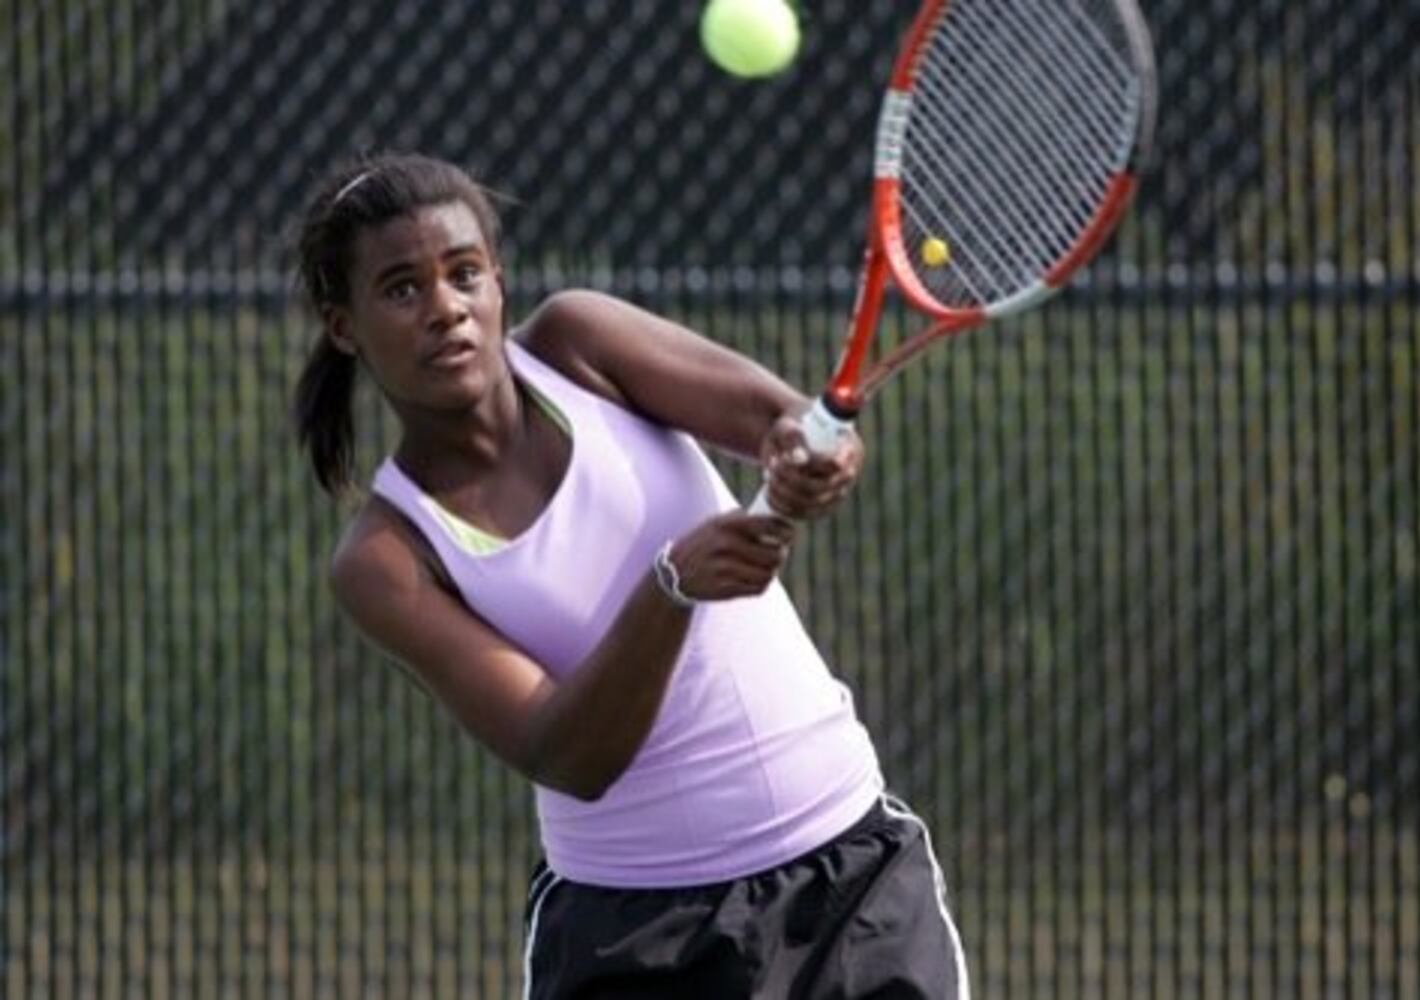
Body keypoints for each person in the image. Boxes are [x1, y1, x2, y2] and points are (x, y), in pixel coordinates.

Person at [291, 151, 969, 999]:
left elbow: (780, 421)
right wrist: (670, 588)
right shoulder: (387, 558)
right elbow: (565, 752)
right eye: (401, 289)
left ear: (499, 280)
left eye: (464, 273)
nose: (446, 309)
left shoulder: (580, 344)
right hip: (637, 942)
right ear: (344, 325)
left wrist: (807, 458)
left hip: (853, 887)